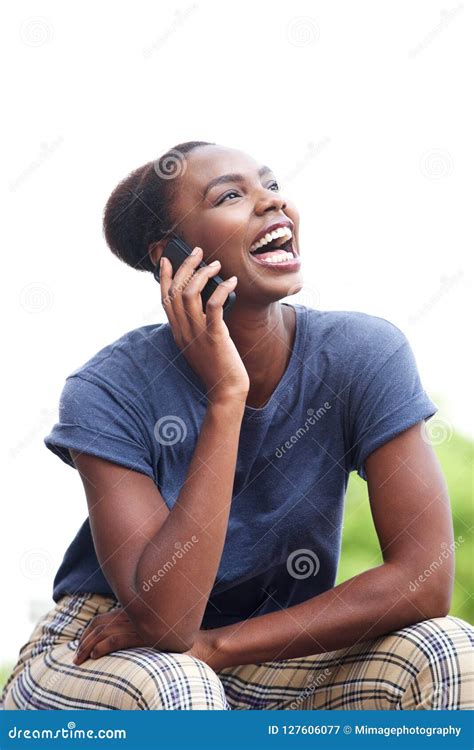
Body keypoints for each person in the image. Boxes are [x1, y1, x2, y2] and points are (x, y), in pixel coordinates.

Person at [2, 141, 473, 710]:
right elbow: (168, 625)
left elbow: (424, 580)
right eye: (231, 195)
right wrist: (228, 396)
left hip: (273, 648)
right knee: (183, 687)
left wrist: (222, 645)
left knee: (452, 649)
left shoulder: (362, 354)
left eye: (271, 187)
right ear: (171, 256)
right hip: (106, 645)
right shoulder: (108, 388)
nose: (271, 204)